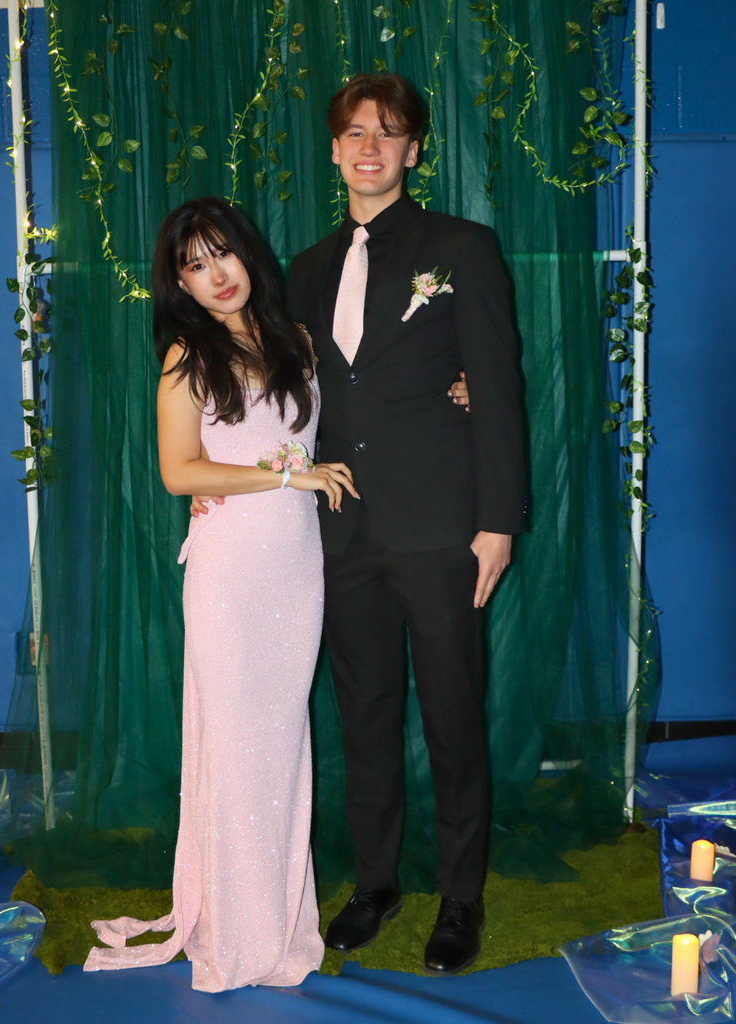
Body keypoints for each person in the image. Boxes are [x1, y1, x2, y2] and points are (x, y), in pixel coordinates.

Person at [83, 197, 358, 992]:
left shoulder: (298, 341)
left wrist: (456, 389)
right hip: (230, 573)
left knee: (282, 745)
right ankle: (239, 933)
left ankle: (277, 918)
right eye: (194, 265)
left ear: (248, 254)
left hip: (295, 569)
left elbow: (359, 408)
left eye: (222, 254)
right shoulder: (185, 354)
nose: (215, 275)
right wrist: (285, 477)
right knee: (236, 749)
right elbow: (180, 472)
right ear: (180, 284)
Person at [285, 73, 526, 976]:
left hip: (440, 527)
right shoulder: (303, 269)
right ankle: (375, 883)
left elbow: (496, 389)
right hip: (339, 531)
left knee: (454, 715)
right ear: (333, 149)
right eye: (354, 132)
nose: (370, 147)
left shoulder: (461, 247)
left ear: (413, 150)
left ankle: (460, 896)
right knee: (364, 714)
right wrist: (234, 476)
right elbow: (288, 395)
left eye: (387, 133)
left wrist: (498, 520)